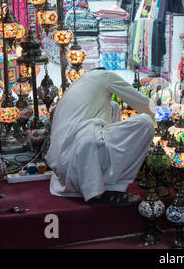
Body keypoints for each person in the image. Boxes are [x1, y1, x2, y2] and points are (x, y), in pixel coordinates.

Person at [46, 69, 156, 206]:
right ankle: (110, 188)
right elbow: (145, 105)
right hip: (78, 157)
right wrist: (158, 119)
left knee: (114, 106)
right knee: (145, 122)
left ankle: (99, 179)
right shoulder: (105, 76)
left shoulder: (77, 85)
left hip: (62, 173)